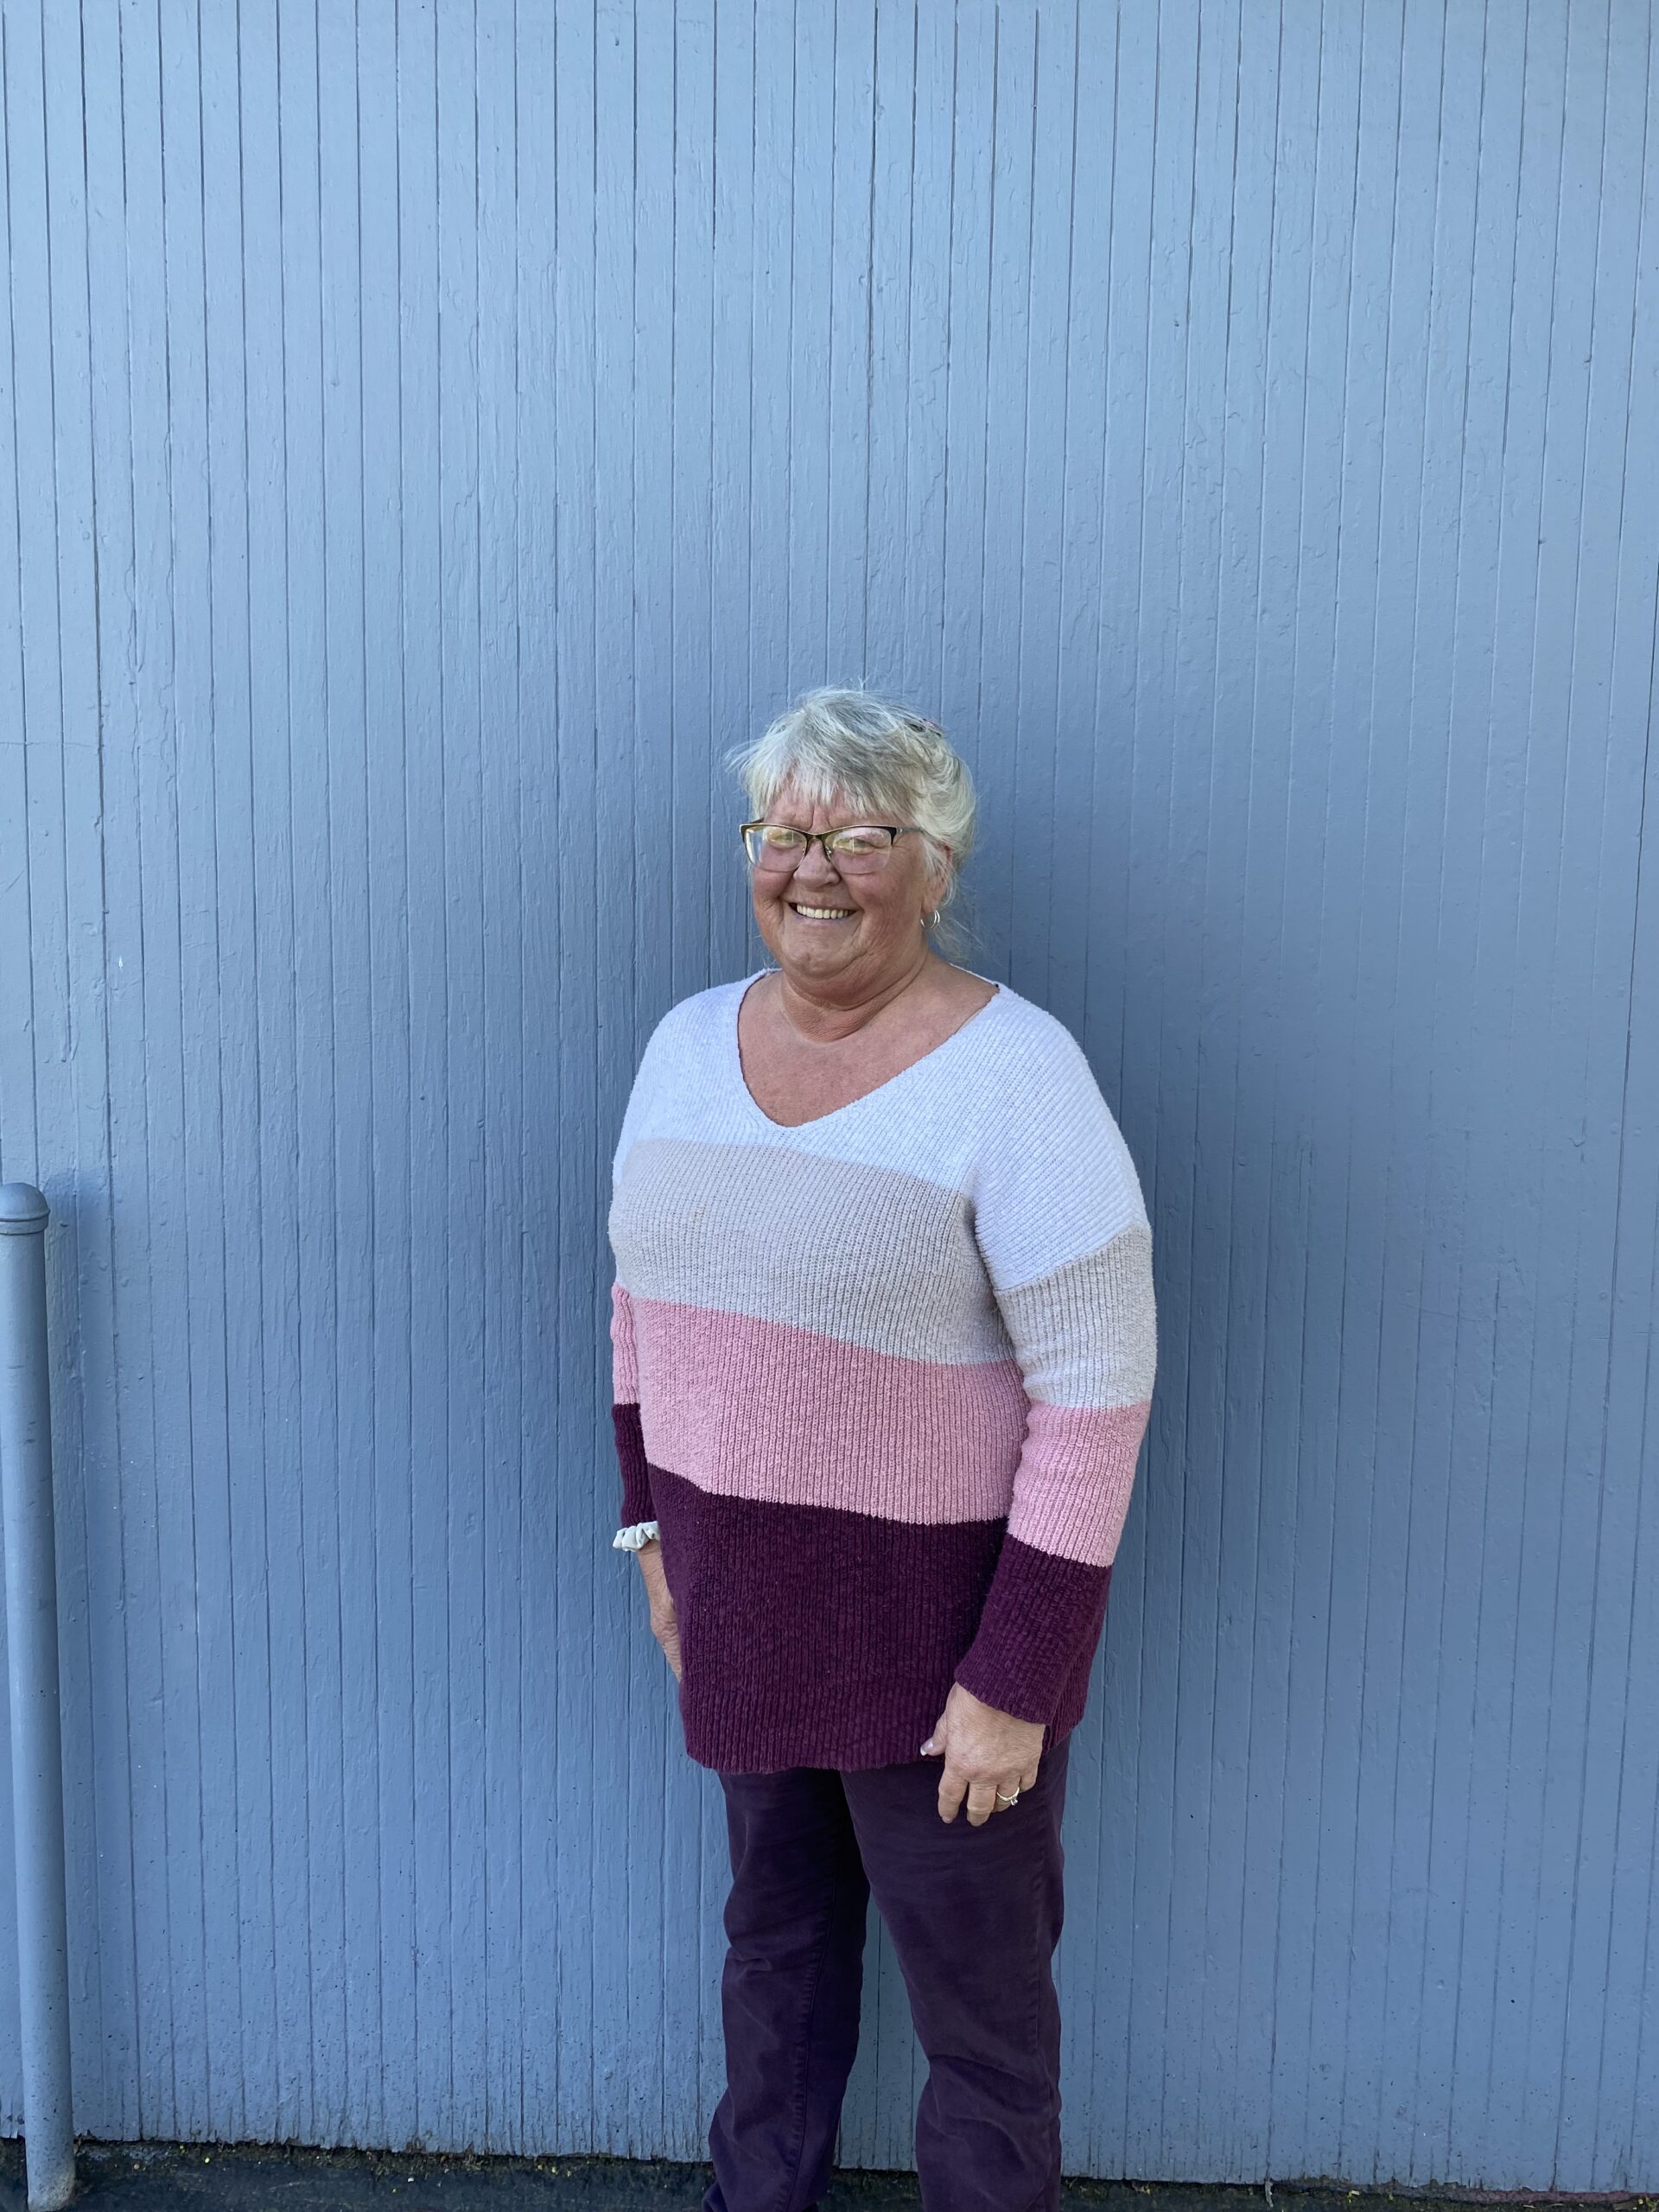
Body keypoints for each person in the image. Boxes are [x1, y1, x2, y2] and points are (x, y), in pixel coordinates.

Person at [605, 686, 1157, 2212]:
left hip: (948, 1672)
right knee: (771, 1970)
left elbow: (1099, 1396)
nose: (817, 867)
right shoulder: (679, 1044)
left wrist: (1016, 1682)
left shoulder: (1018, 1078)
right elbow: (638, 1308)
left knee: (981, 2032)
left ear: (934, 863)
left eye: (862, 834)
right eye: (785, 834)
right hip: (742, 1625)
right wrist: (653, 1541)